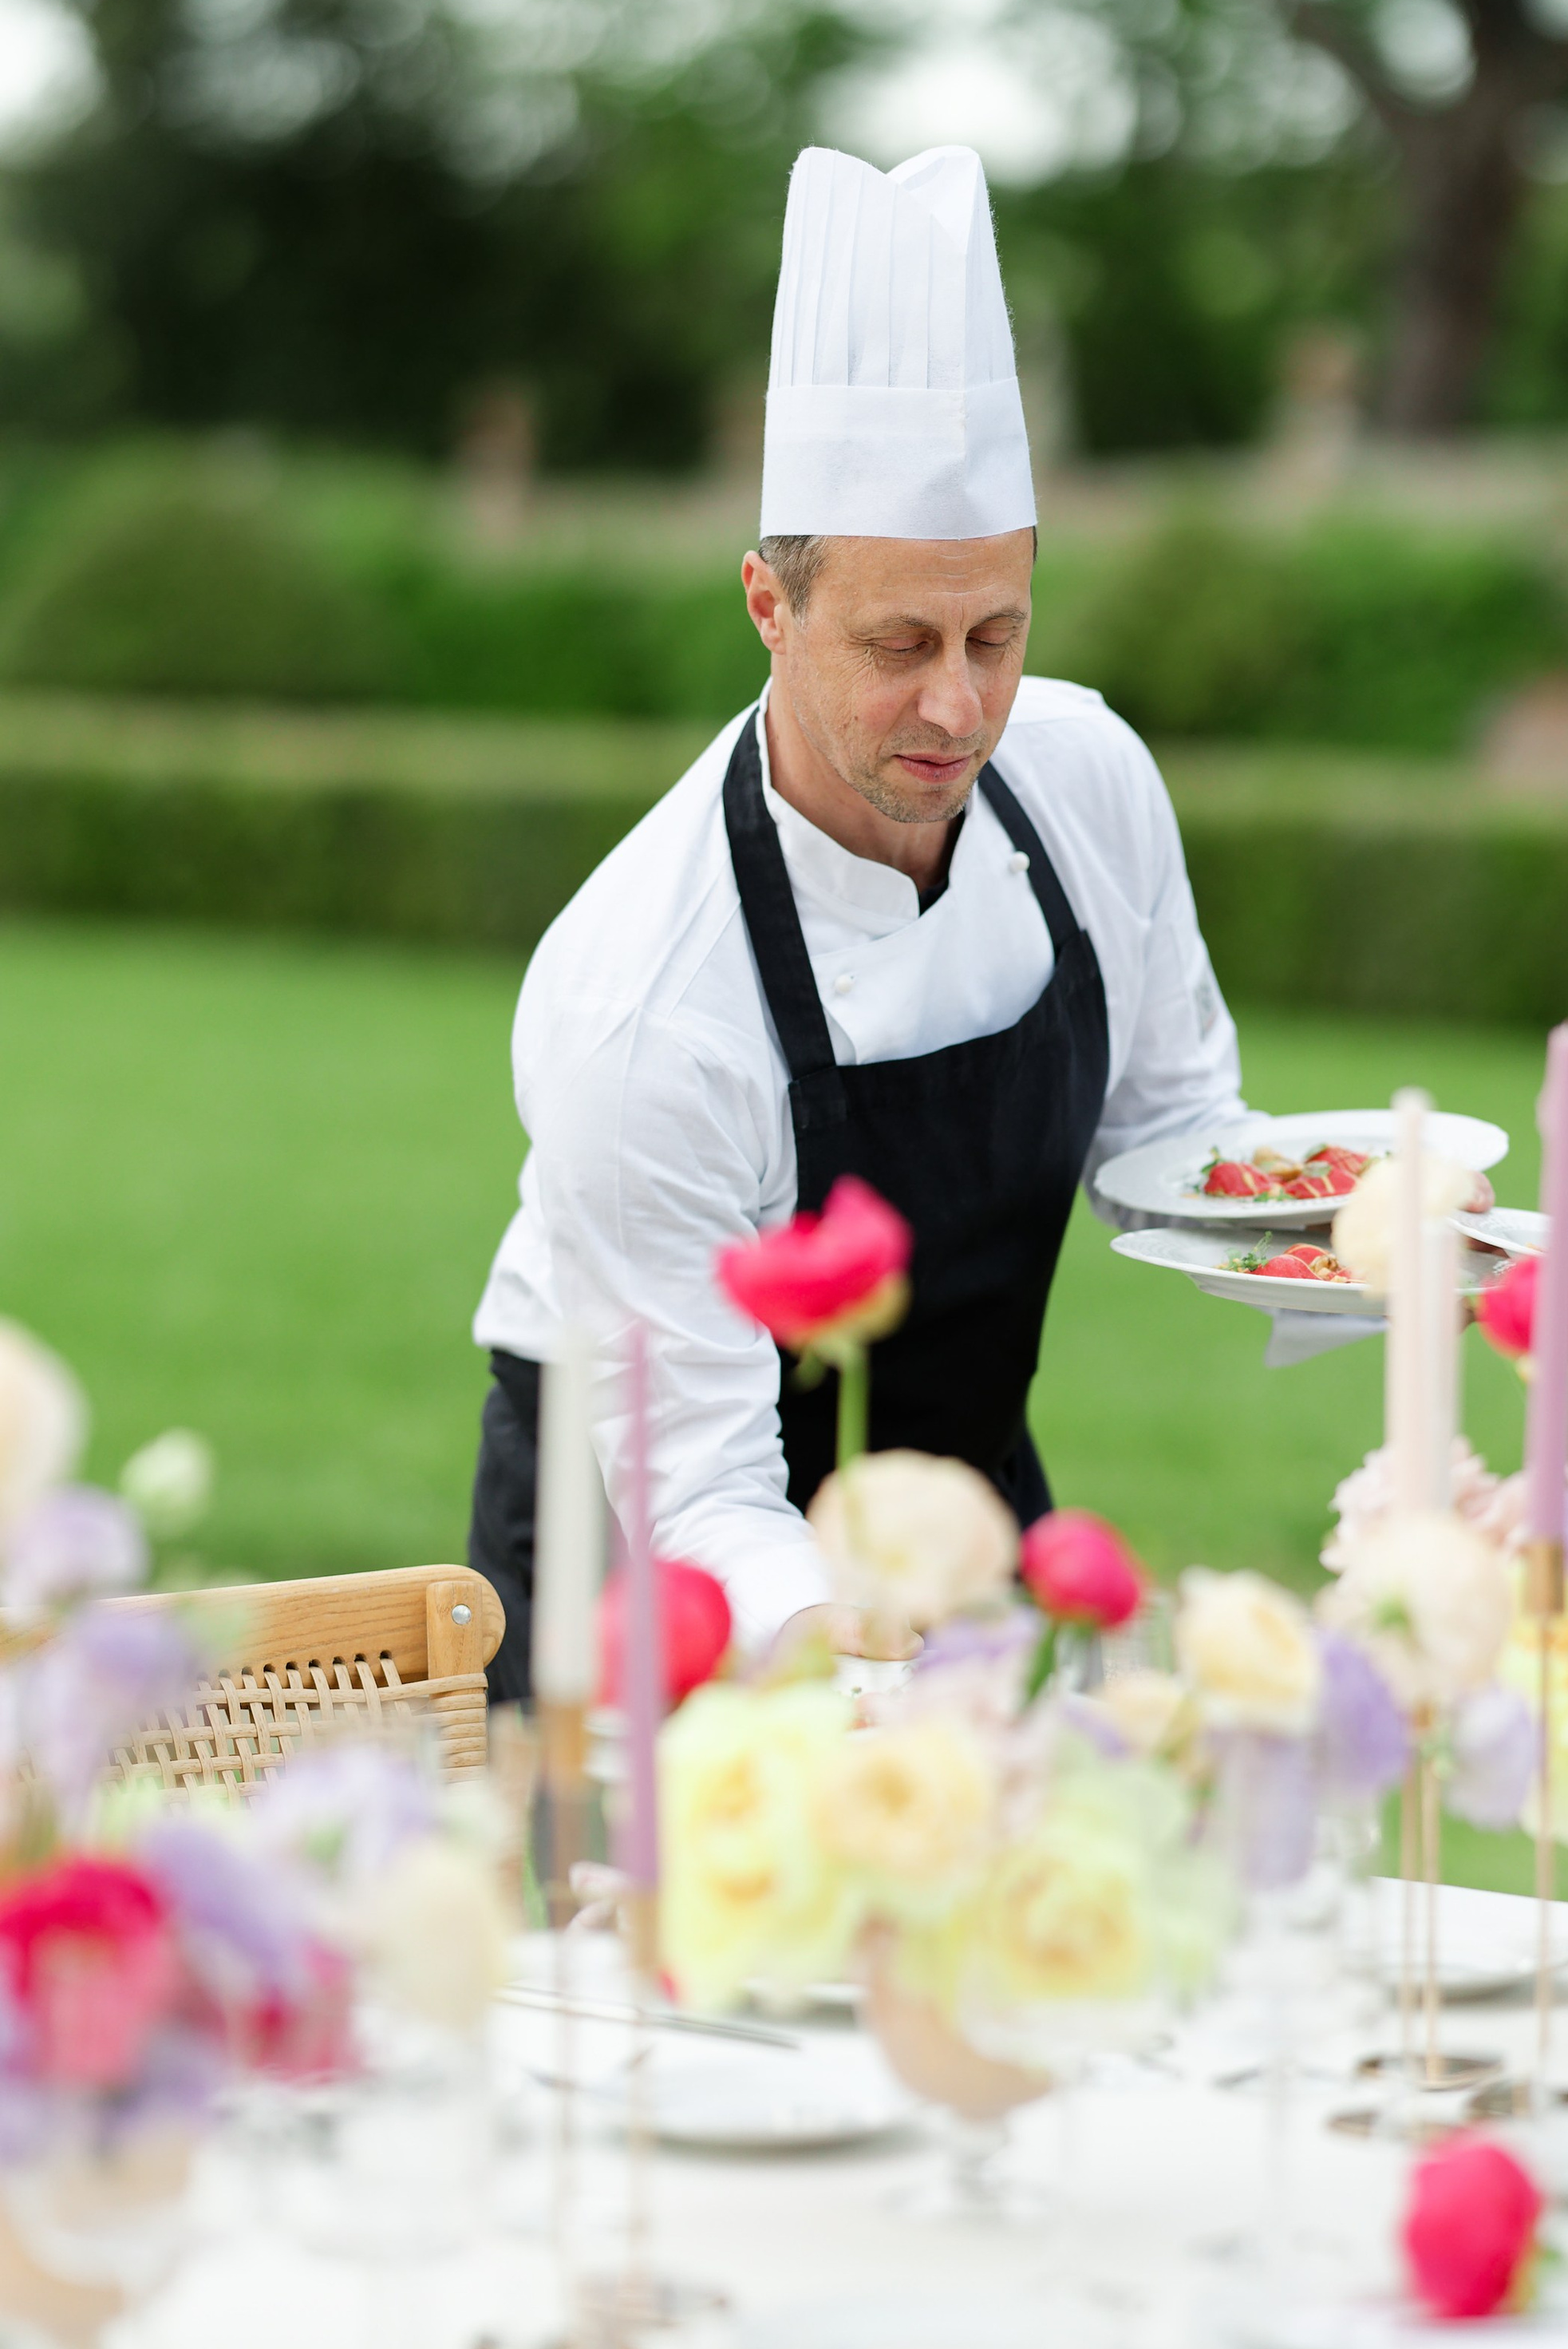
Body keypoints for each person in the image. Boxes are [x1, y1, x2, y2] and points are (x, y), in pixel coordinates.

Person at [468, 142, 1246, 1699]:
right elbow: (704, 1495)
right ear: (768, 605)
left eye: (995, 634)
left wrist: (1407, 1248)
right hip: (660, 1573)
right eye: (896, 643)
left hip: (953, 1516)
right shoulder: (645, 1010)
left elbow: (1177, 1133)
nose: (957, 707)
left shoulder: (1083, 775)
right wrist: (864, 1686)